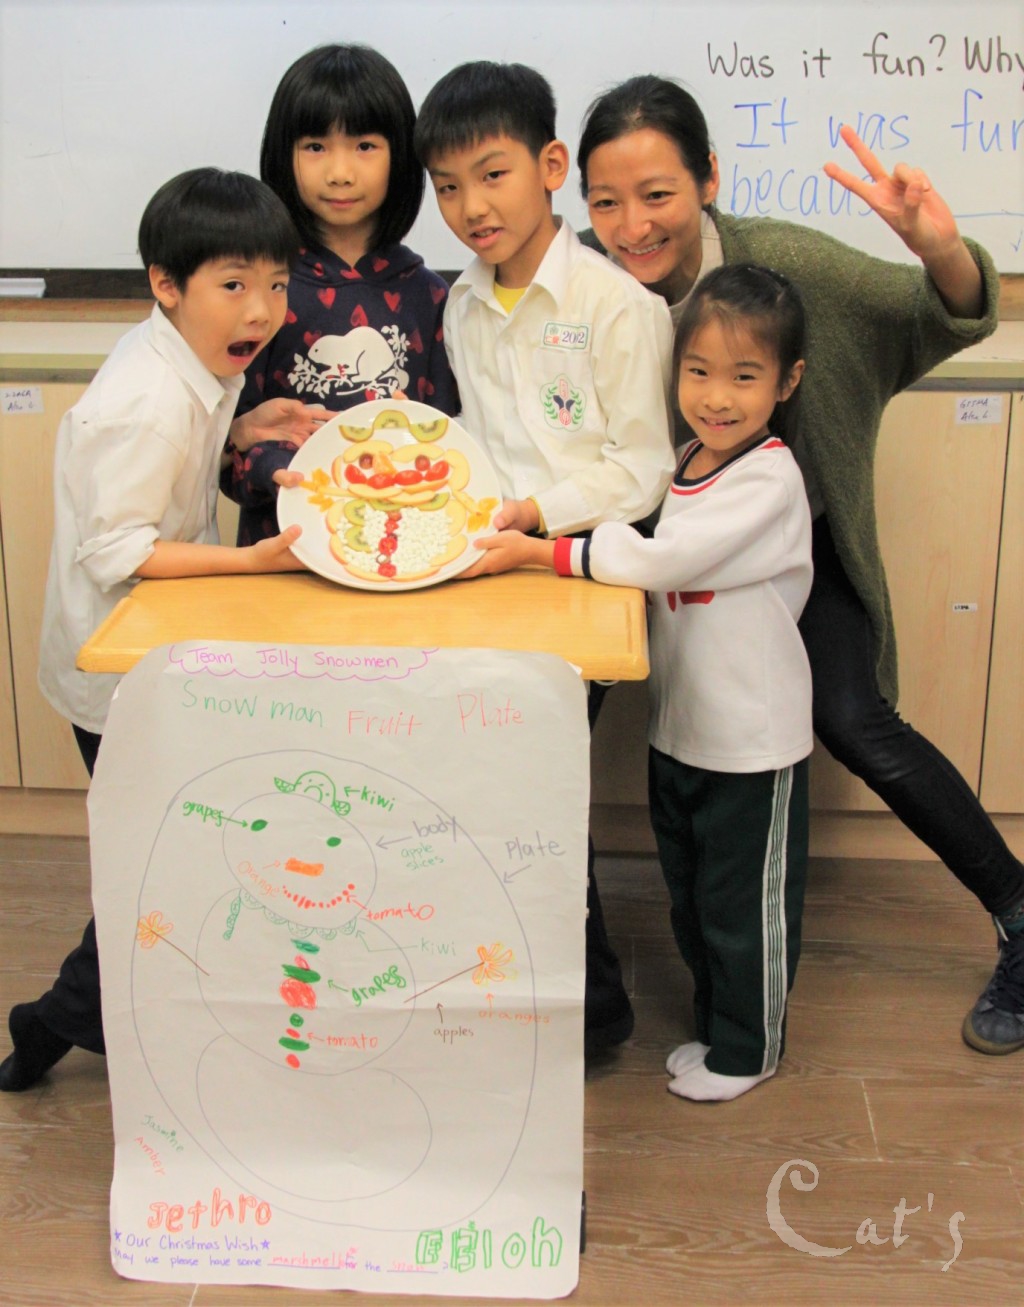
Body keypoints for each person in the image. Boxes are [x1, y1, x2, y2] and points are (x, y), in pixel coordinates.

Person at [576, 74, 1024, 1056]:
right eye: (605, 201)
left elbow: (937, 313)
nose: (631, 225)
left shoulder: (785, 266)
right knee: (552, 707)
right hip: (639, 542)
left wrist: (938, 248)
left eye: (657, 193)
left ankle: (1019, 909)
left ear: (708, 179)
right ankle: (572, 978)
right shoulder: (582, 282)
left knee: (854, 717)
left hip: (777, 540)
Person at [468, 262, 813, 1101]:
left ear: (787, 381)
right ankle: (717, 1029)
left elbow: (663, 558)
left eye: (744, 377)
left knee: (743, 909)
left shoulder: (769, 478)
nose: (716, 397)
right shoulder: (690, 458)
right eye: (698, 371)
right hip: (684, 728)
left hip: (751, 741)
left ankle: (750, 1050)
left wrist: (547, 550)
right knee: (691, 897)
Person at [1, 168, 306, 1093]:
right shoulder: (147, 400)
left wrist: (243, 426)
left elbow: (176, 463)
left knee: (171, 853)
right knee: (156, 866)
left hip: (153, 650)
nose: (262, 309)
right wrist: (257, 562)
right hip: (119, 669)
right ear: (166, 284)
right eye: (233, 284)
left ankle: (118, 1010)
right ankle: (53, 1022)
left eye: (277, 283)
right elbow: (118, 549)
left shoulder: (194, 363)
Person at [412, 61, 676, 1055]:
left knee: (533, 783)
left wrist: (536, 517)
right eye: (447, 187)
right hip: (489, 576)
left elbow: (641, 471)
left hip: (580, 574)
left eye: (493, 174)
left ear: (551, 166)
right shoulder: (460, 305)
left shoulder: (617, 306)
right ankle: (519, 982)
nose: (471, 208)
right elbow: (476, 445)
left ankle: (591, 1006)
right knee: (493, 781)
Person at [220, 44, 460, 546]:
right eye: (315, 146)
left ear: (401, 155)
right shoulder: (262, 294)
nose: (340, 172)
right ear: (283, 153)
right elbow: (227, 448)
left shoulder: (431, 297)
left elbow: (446, 441)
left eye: (365, 146)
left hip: (400, 545)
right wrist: (275, 468)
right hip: (282, 553)